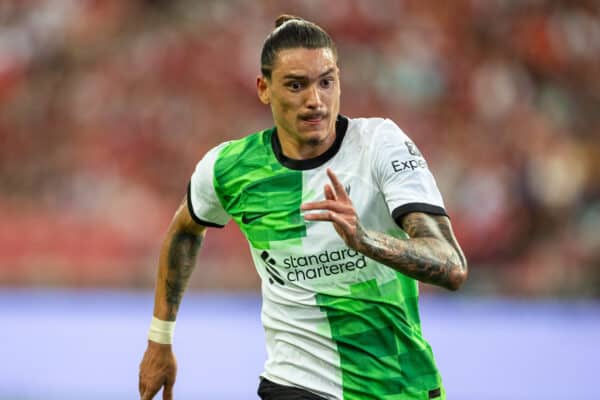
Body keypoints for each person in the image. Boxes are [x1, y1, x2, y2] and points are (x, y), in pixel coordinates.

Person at [138, 14, 468, 400]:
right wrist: (160, 339)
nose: (315, 100)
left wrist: (365, 241)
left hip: (398, 383)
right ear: (264, 89)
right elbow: (184, 231)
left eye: (326, 82)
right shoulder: (228, 168)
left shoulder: (380, 145)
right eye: (296, 85)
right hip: (295, 381)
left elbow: (451, 265)